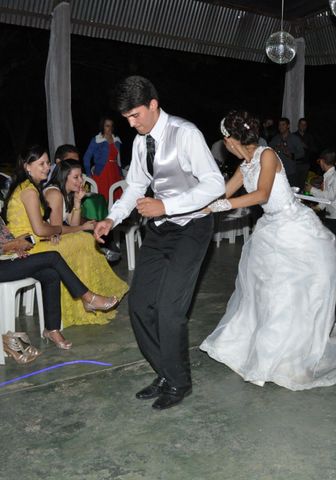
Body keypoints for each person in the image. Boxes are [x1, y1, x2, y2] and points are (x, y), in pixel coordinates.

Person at [200, 110, 336, 390]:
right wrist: (198, 205)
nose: (224, 145)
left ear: (232, 140)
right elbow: (222, 193)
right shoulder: (245, 165)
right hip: (269, 230)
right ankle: (263, 350)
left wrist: (222, 206)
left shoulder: (266, 155)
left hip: (294, 227)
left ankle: (290, 357)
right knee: (264, 294)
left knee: (288, 293)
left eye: (225, 140)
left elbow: (262, 194)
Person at [93, 75, 225, 410]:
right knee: (139, 305)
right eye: (126, 119)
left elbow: (214, 184)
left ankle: (179, 383)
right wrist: (112, 218)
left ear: (153, 105)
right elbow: (135, 187)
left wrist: (166, 206)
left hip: (193, 226)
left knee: (170, 309)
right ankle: (165, 372)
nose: (131, 123)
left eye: (135, 115)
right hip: (162, 228)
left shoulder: (186, 134)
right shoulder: (140, 142)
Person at [3, 145, 127, 327]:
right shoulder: (29, 191)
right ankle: (88, 299)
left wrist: (73, 207)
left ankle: (90, 297)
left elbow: (46, 227)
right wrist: (56, 230)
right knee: (83, 240)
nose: (47, 167)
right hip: (28, 246)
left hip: (35, 241)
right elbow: (40, 229)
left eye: (47, 162)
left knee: (83, 240)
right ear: (27, 167)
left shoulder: (30, 187)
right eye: (42, 163)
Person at [1, 218, 119, 350]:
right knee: (53, 257)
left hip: (6, 259)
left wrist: (15, 246)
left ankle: (52, 330)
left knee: (51, 274)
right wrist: (13, 244)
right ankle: (88, 298)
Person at [44, 160, 96, 234]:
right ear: (64, 178)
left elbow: (73, 225)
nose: (81, 180)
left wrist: (77, 200)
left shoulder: (67, 193)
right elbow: (57, 230)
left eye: (81, 176)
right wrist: (83, 227)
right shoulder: (54, 194)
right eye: (76, 177)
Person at [83, 116, 124, 201]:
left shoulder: (116, 140)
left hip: (115, 172)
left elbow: (118, 160)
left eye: (111, 126)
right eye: (107, 126)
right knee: (103, 198)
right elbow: (86, 158)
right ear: (102, 126)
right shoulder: (97, 140)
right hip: (102, 172)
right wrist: (88, 174)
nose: (109, 128)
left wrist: (121, 174)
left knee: (117, 199)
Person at [269, 117, 304, 188]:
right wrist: (274, 149)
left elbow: (302, 153)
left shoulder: (295, 138)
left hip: (290, 172)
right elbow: (268, 150)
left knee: (292, 192)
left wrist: (291, 155)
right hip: (278, 171)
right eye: (279, 125)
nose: (281, 127)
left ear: (288, 126)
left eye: (283, 124)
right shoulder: (275, 138)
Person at [293, 117, 319, 184]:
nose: (303, 126)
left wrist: (306, 146)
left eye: (304, 125)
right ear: (298, 125)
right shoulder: (293, 136)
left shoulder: (309, 136)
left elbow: (315, 150)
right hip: (294, 164)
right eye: (301, 124)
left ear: (306, 126)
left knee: (302, 184)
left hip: (305, 164)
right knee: (293, 183)